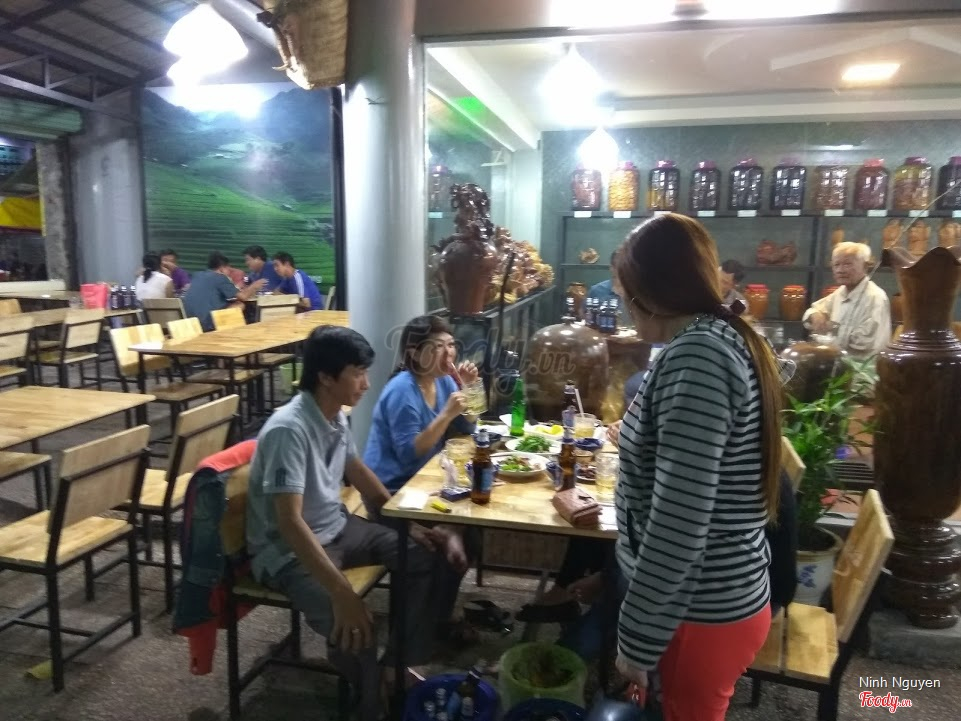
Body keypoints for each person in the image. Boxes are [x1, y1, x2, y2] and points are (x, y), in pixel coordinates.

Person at [612, 212, 785, 721]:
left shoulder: (699, 357)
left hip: (697, 611)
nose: (625, 308)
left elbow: (680, 521)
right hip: (701, 603)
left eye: (625, 294)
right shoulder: (712, 339)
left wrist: (637, 640)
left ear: (649, 292)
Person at [246, 326, 456, 721]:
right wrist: (342, 593)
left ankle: (394, 668)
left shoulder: (333, 416)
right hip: (289, 550)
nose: (366, 383)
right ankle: (372, 705)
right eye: (357, 373)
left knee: (423, 552)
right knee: (357, 626)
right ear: (326, 377)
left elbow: (359, 473)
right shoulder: (288, 429)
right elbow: (290, 524)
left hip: (338, 527)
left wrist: (403, 525)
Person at [363, 315, 481, 640]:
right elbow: (410, 453)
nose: (449, 354)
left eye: (451, 346)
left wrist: (469, 388)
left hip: (425, 485)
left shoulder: (443, 381)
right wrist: (445, 414)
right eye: (438, 347)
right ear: (414, 352)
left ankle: (439, 616)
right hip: (391, 492)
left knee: (473, 534)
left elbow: (468, 426)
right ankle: (417, 634)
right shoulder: (402, 390)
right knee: (431, 550)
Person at [802, 241, 891, 358]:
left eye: (847, 264)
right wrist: (815, 314)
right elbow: (814, 310)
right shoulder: (841, 292)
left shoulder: (875, 297)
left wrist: (832, 331)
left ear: (865, 266)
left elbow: (865, 343)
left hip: (862, 366)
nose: (840, 270)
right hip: (838, 361)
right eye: (836, 265)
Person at [182, 251, 264, 330]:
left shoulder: (197, 275)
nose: (229, 273)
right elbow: (243, 297)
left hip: (191, 323)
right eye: (229, 269)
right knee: (240, 305)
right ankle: (229, 331)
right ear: (222, 268)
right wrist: (254, 286)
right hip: (208, 323)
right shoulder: (220, 277)